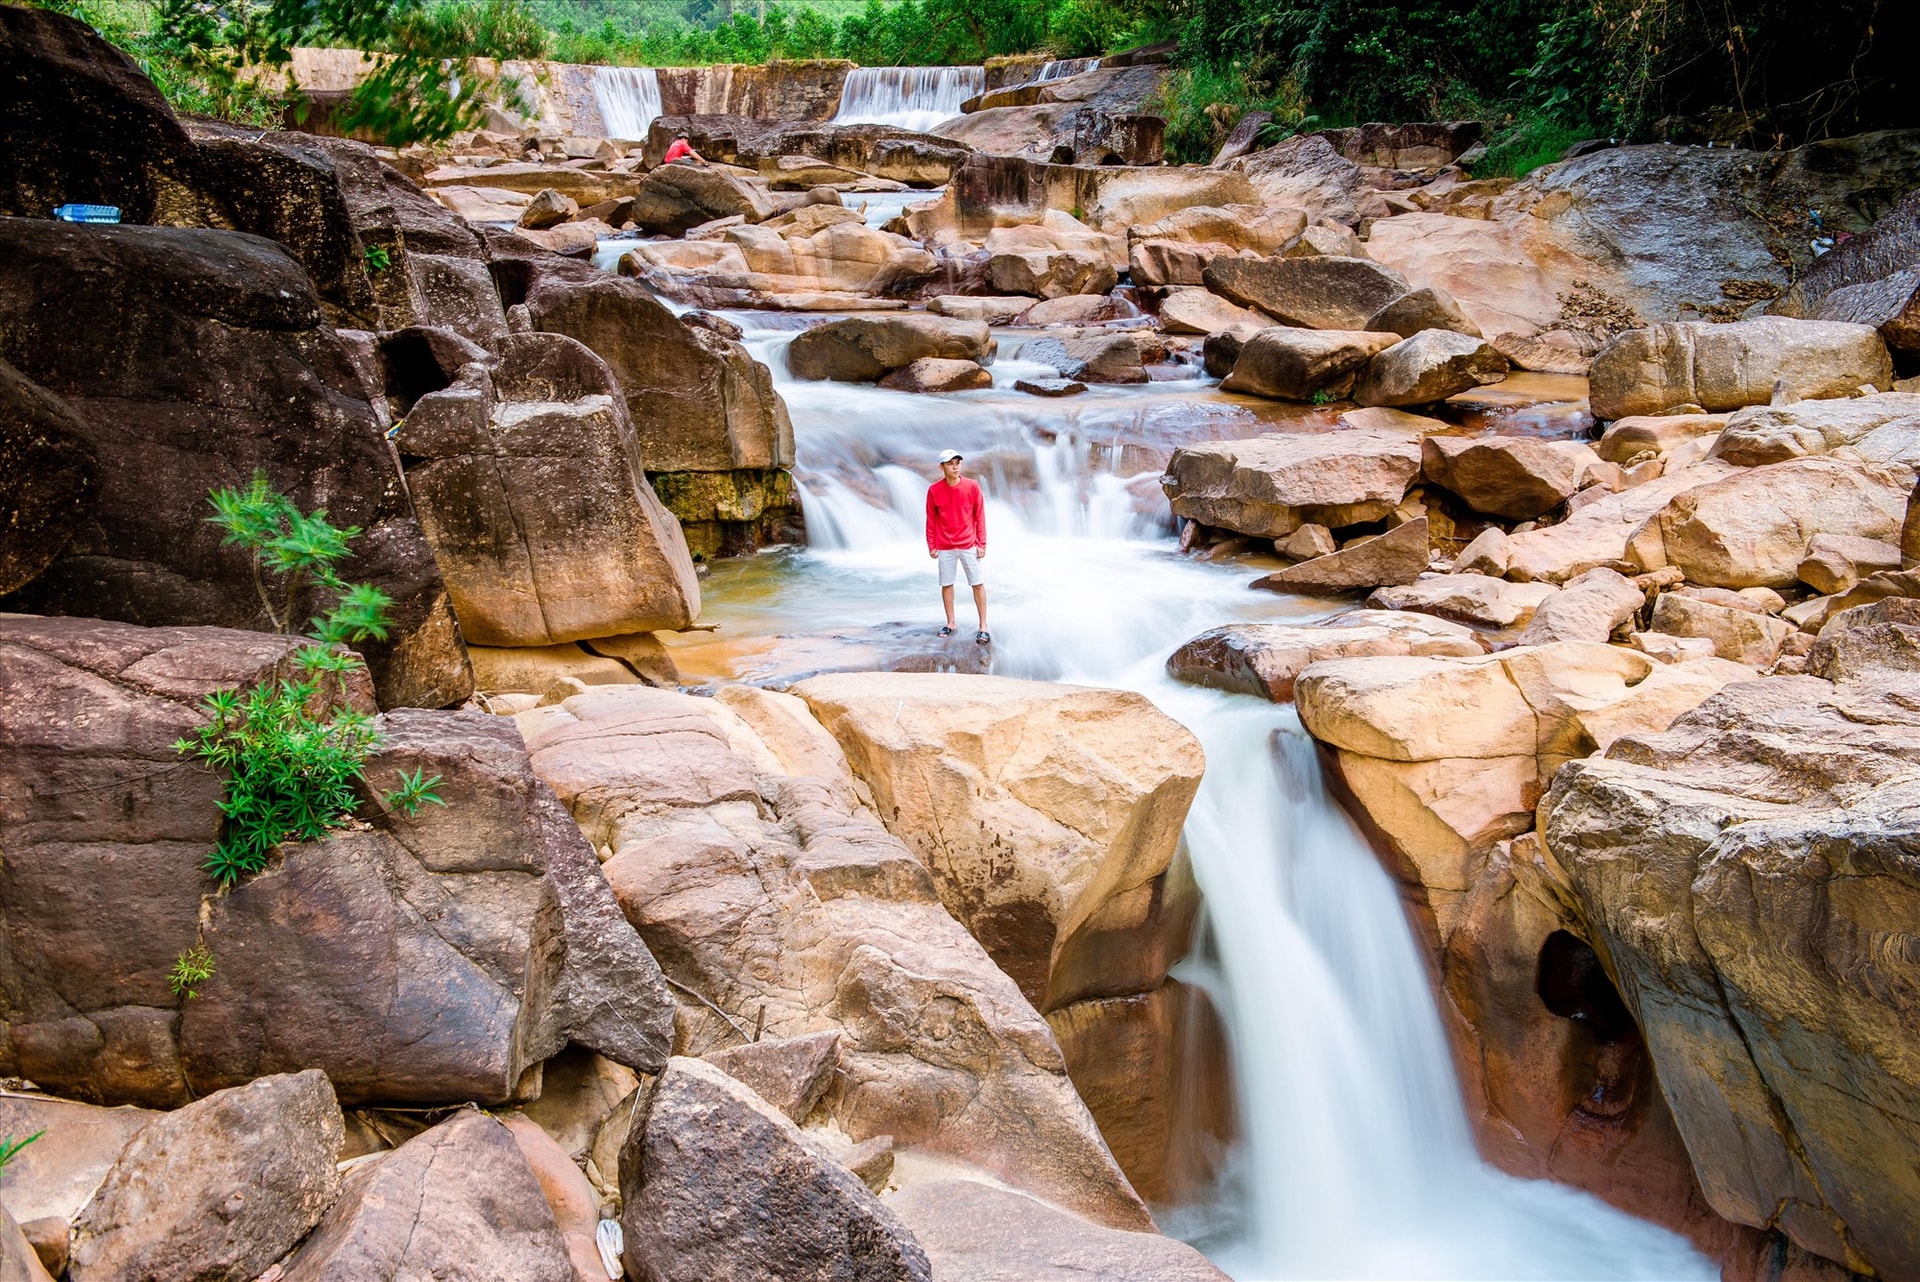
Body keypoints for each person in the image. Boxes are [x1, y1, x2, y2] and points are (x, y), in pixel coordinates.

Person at [925, 448, 989, 643]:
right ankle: (951, 622)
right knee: (946, 584)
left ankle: (983, 626)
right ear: (941, 467)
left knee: (977, 584)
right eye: (950, 463)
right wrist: (931, 545)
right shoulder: (934, 490)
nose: (955, 466)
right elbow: (931, 520)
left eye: (957, 463)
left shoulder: (972, 486)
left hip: (969, 544)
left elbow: (979, 516)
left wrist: (981, 543)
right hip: (944, 546)